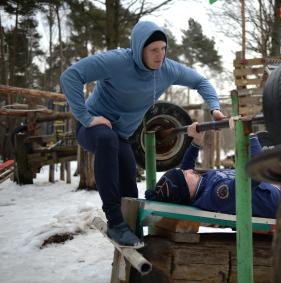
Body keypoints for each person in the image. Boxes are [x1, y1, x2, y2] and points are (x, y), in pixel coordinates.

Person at [60, 20, 225, 247]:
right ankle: (115, 223)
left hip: (122, 137)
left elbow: (200, 81)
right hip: (93, 130)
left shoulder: (168, 69)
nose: (160, 55)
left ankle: (132, 232)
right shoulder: (116, 61)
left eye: (163, 49)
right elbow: (71, 75)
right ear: (139, 49)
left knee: (130, 188)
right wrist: (86, 117)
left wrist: (215, 108)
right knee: (107, 140)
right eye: (154, 50)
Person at [145, 122, 281, 219]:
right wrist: (247, 134)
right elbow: (253, 176)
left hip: (273, 183)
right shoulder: (217, 194)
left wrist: (196, 141)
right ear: (187, 189)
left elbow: (186, 167)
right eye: (184, 175)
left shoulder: (198, 188)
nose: (187, 171)